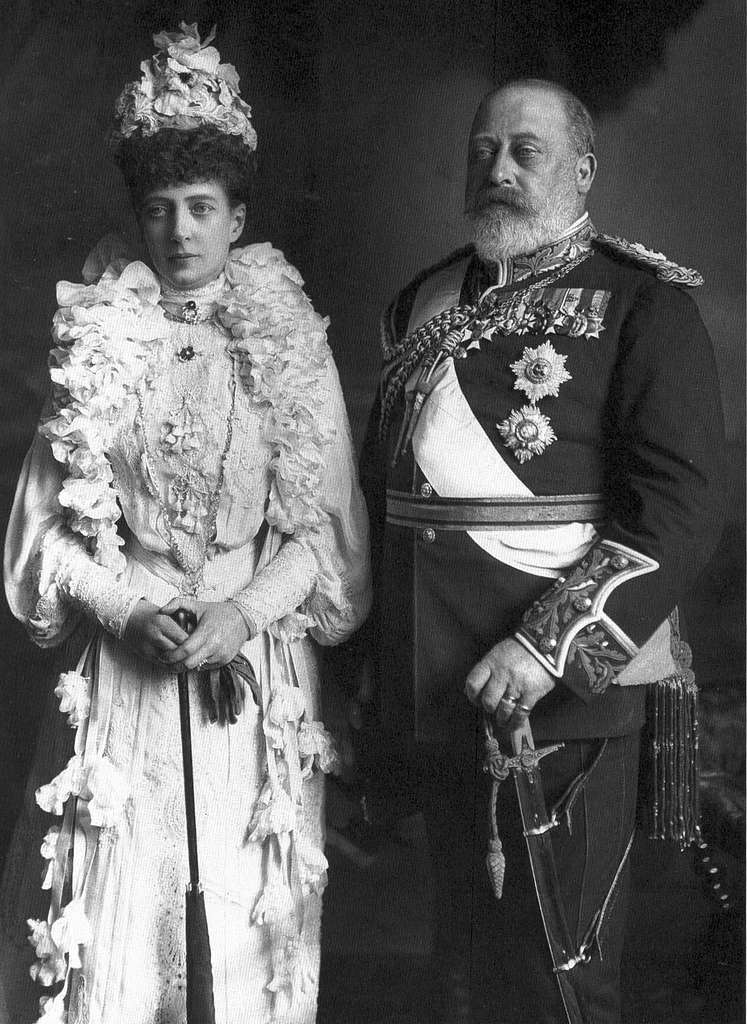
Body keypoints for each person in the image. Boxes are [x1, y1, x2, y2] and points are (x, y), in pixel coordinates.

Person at [1, 23, 370, 1024]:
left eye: (202, 209)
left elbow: (324, 536)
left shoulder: (285, 332)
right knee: (121, 946)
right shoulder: (101, 329)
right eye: (159, 210)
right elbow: (43, 536)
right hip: (129, 673)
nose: (179, 232)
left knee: (252, 944)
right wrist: (126, 605)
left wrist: (246, 611)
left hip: (256, 673)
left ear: (237, 214)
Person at [359, 78, 725, 1023]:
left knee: (557, 978)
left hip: (561, 697)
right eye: (483, 150)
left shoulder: (642, 305)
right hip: (431, 686)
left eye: (526, 151)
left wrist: (542, 649)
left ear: (583, 171)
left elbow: (679, 508)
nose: (499, 169)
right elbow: (376, 497)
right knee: (462, 973)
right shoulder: (424, 299)